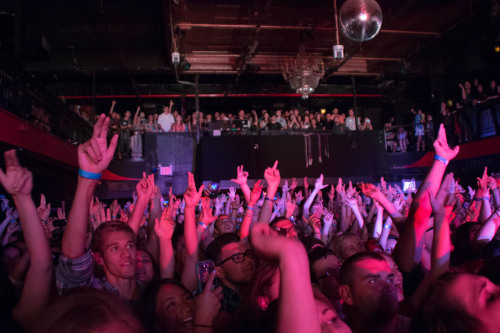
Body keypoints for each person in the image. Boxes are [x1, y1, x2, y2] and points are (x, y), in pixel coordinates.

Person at [338, 252, 410, 333]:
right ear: (347, 294)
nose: (388, 287)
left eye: (390, 280)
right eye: (373, 281)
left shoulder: (418, 328)